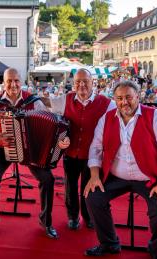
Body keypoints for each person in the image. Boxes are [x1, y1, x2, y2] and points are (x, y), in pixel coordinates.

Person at [83, 80, 157, 259]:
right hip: (116, 176)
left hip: (148, 177)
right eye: (119, 98)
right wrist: (94, 175)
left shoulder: (155, 117)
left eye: (128, 97)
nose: (124, 102)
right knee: (93, 197)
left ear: (138, 97)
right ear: (115, 99)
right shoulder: (107, 118)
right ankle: (109, 243)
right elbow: (95, 148)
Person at [0, 68, 65, 239]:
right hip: (5, 146)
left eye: (16, 80)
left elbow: (53, 123)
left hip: (30, 150)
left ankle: (46, 220)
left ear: (21, 81)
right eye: (9, 81)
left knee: (48, 179)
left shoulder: (33, 101)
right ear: (3, 83)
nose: (13, 84)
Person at [50, 68, 115, 230]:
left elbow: (120, 118)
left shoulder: (107, 103)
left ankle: (88, 216)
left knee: (89, 187)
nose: (81, 85)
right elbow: (48, 111)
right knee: (70, 187)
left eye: (85, 81)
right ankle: (72, 217)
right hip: (70, 153)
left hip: (93, 156)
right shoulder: (65, 99)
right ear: (73, 84)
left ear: (93, 82)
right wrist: (58, 138)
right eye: (78, 82)